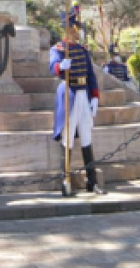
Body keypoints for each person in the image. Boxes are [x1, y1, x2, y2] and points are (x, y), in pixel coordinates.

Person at [51, 26, 104, 195]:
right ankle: (65, 181)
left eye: (75, 30)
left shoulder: (82, 50)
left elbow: (90, 74)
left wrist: (95, 96)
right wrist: (61, 66)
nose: (75, 33)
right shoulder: (58, 49)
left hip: (84, 94)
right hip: (70, 93)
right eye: (72, 29)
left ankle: (92, 181)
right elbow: (52, 66)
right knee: (68, 137)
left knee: (86, 137)